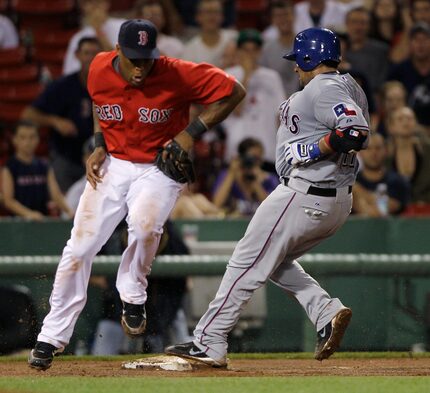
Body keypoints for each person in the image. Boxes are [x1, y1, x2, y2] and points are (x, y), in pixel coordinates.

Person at [27, 19, 245, 371]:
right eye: (133, 59)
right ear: (117, 52)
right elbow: (101, 104)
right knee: (79, 247)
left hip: (158, 167)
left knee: (144, 228)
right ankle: (51, 336)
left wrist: (191, 133)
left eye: (146, 58)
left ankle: (132, 294)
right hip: (114, 164)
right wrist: (99, 143)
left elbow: (234, 91)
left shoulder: (176, 72)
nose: (141, 66)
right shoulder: (98, 66)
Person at [165, 27, 369, 366]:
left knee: (245, 262)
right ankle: (325, 311)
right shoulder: (348, 84)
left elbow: (354, 131)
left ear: (308, 58)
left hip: (305, 193)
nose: (294, 68)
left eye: (297, 61)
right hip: (335, 200)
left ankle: (209, 341)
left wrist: (311, 148)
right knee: (273, 260)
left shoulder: (324, 87)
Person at [21, 37, 102, 193]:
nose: (90, 58)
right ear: (77, 55)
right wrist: (55, 121)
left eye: (95, 53)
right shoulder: (63, 86)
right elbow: (28, 114)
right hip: (67, 157)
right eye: (86, 53)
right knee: (67, 206)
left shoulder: (109, 85)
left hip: (99, 157)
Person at [223, 29, 285, 166]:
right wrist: (246, 75)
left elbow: (279, 117)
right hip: (237, 151)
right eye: (245, 50)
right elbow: (237, 111)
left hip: (267, 151)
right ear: (238, 51)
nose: (250, 54)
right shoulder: (228, 76)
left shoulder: (272, 77)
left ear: (260, 52)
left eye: (254, 50)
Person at [1, 121, 73, 220]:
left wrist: (69, 211)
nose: (27, 142)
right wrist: (28, 214)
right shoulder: (9, 167)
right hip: (17, 223)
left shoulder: (44, 165)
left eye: (32, 137)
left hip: (41, 221)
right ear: (14, 139)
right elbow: (8, 201)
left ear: (38, 139)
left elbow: (56, 194)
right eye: (23, 137)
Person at [212, 137, 279, 216]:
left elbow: (274, 210)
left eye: (258, 158)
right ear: (241, 158)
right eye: (252, 158)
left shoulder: (269, 179)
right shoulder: (228, 176)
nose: (255, 162)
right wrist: (231, 174)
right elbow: (216, 204)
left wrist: (255, 183)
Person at [353, 132, 410, 216]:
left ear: (386, 151)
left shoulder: (398, 182)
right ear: (360, 153)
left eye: (378, 148)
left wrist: (357, 191)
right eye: (368, 148)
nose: (373, 153)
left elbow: (382, 211)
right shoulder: (352, 180)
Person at [63, 0, 126, 75]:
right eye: (90, 3)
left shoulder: (124, 26)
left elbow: (126, 65)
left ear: (107, 4)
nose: (95, 6)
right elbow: (71, 72)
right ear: (83, 7)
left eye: (98, 2)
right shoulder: (78, 37)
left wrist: (99, 32)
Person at [260, 1, 300, 98]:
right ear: (273, 20)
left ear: (294, 16)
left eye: (286, 14)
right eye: (278, 16)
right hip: (276, 105)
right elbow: (264, 82)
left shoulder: (307, 45)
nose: (283, 19)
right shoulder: (266, 49)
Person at [182, 0, 237, 67]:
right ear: (198, 17)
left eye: (216, 12)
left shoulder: (235, 38)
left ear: (222, 16)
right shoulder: (189, 50)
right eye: (207, 12)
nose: (212, 16)